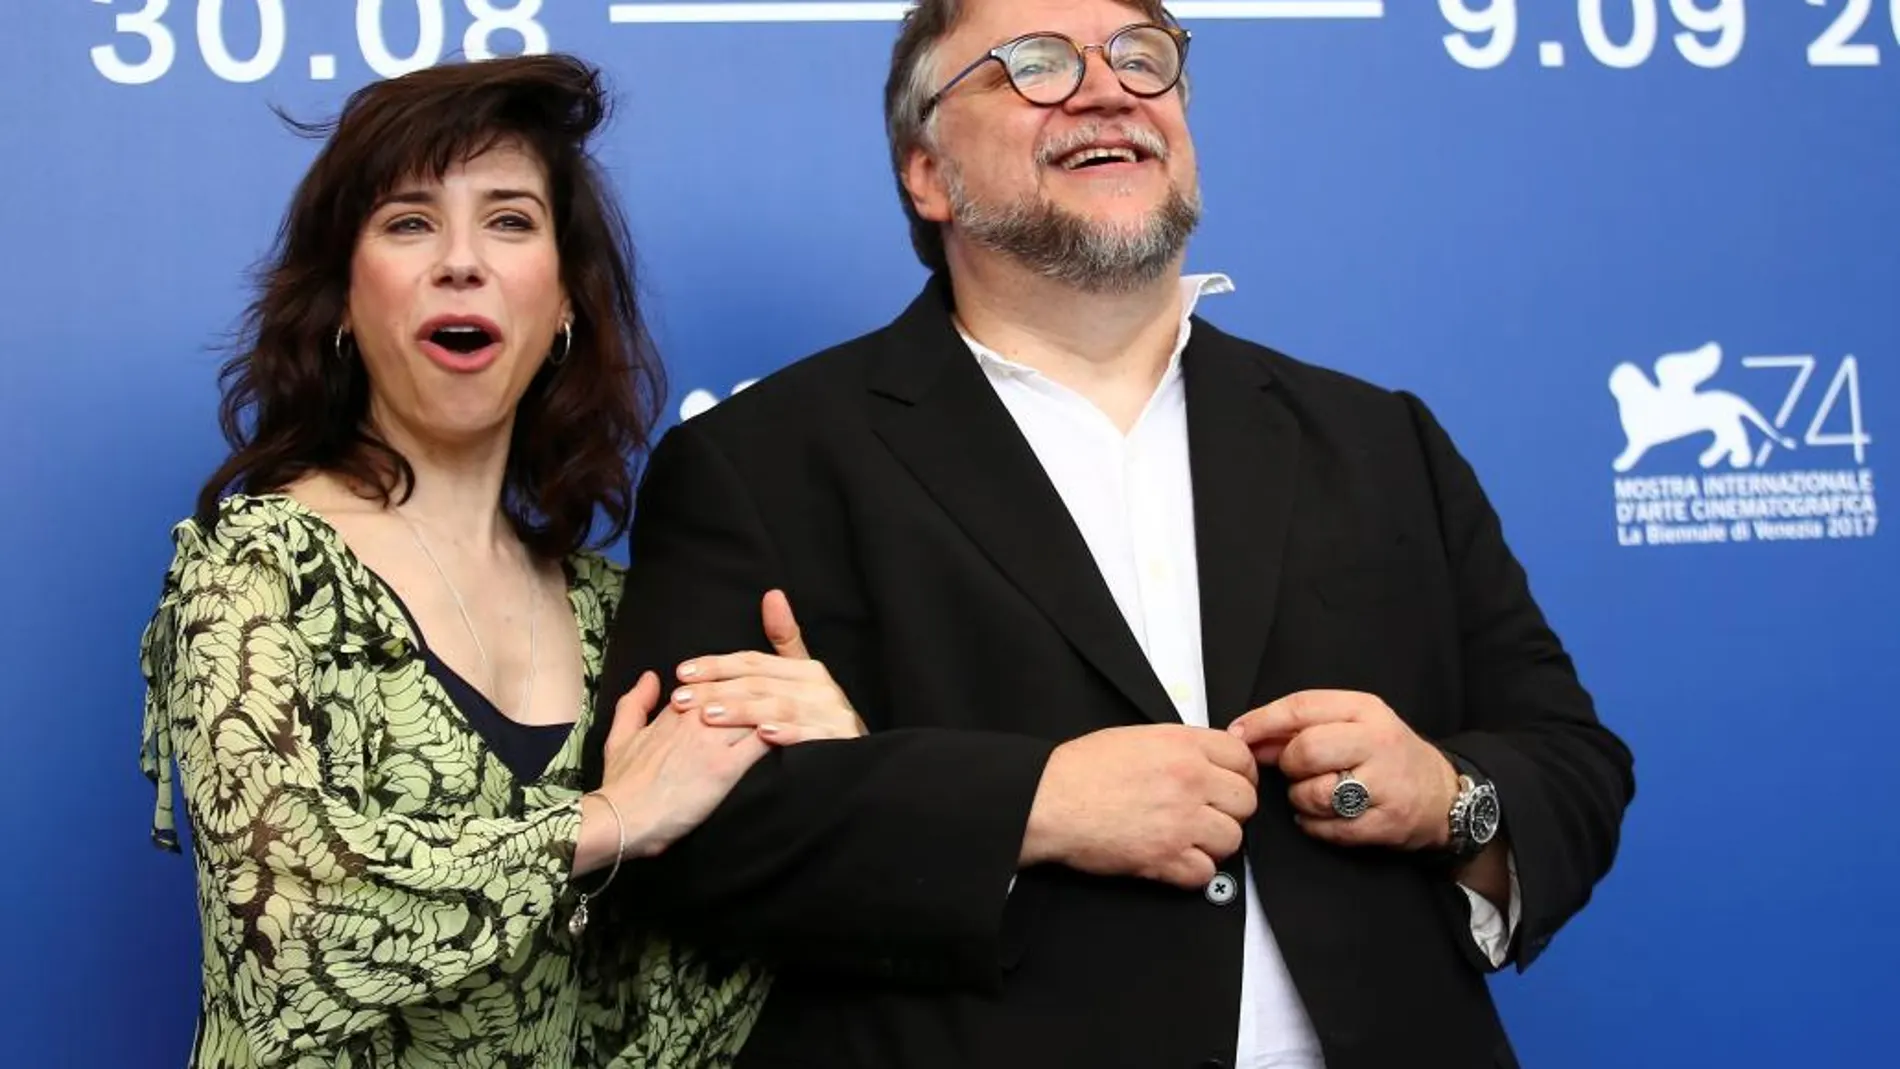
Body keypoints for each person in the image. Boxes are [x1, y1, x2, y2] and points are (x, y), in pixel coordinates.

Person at [584, 0, 1636, 1066]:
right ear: (927, 174)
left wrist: (1445, 798)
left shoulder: (1379, 437)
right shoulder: (761, 463)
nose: (1107, 87)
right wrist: (1030, 806)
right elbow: (685, 838)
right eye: (1032, 66)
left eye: (1144, 59)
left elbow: (1572, 762)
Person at [136, 54, 864, 1069]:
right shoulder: (256, 564)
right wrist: (606, 818)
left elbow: (662, 1015)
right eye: (408, 221)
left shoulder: (615, 615)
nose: (461, 260)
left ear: (564, 301)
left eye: (511, 220)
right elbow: (287, 921)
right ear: (343, 299)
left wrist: (830, 771)